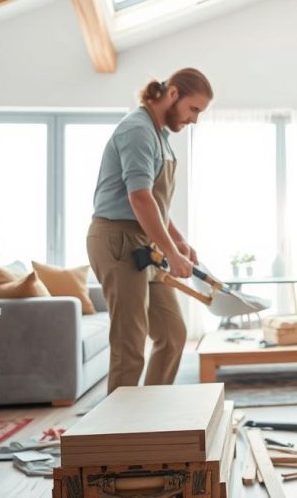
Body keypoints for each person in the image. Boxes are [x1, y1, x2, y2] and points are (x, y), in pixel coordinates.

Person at [87, 67, 213, 393]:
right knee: (130, 346)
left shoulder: (161, 136)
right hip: (117, 239)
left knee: (172, 335)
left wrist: (180, 241)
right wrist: (170, 252)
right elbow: (140, 199)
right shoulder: (138, 131)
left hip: (144, 241)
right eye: (193, 109)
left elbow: (156, 203)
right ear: (173, 95)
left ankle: (150, 418)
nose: (194, 119)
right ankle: (116, 436)